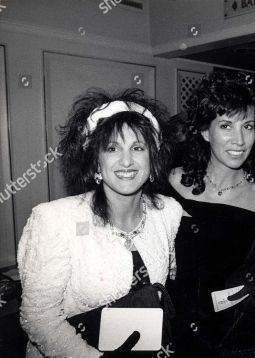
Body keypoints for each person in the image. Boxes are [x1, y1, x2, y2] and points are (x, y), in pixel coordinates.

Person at [17, 88, 182, 358]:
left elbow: (168, 281)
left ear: (153, 160)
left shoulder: (168, 211)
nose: (127, 161)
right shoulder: (54, 219)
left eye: (138, 147)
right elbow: (38, 318)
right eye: (112, 148)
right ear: (95, 162)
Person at [166, 71, 255, 357]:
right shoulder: (174, 182)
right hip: (171, 325)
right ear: (204, 131)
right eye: (226, 125)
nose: (239, 139)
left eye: (247, 126)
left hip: (230, 331)